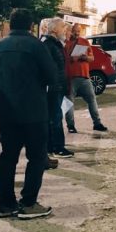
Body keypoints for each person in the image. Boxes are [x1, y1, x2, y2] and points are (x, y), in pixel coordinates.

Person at [0, 8, 57, 219]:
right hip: (34, 111)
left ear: (10, 24)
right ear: (31, 26)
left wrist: (4, 82)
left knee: (8, 157)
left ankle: (6, 203)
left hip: (7, 112)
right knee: (36, 157)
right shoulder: (37, 47)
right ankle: (28, 203)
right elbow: (52, 76)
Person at [40, 18, 74, 158]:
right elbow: (49, 68)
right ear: (54, 29)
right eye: (62, 27)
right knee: (55, 117)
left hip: (58, 86)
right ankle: (57, 148)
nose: (65, 30)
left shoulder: (56, 44)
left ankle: (52, 147)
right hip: (53, 87)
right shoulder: (48, 44)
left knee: (55, 116)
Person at [63, 26, 107, 133]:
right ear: (70, 31)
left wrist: (85, 57)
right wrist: (72, 58)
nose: (77, 33)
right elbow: (62, 59)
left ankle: (97, 123)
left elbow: (92, 58)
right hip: (70, 77)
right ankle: (71, 126)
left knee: (92, 99)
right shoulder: (65, 43)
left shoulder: (84, 42)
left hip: (84, 77)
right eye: (74, 31)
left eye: (78, 31)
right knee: (69, 102)